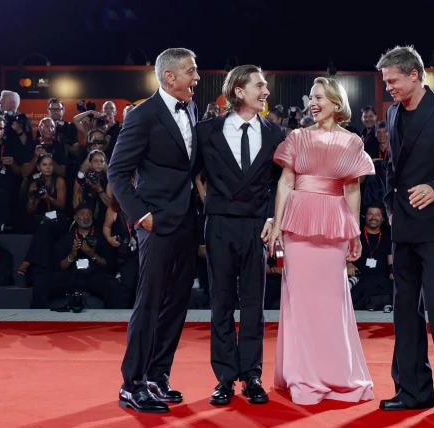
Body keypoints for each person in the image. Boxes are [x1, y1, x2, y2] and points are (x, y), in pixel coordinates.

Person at [376, 46, 434, 417]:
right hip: (403, 226)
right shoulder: (393, 113)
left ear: (414, 75)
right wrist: (389, 208)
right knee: (404, 311)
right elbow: (392, 167)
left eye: (393, 81)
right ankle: (412, 391)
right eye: (386, 83)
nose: (389, 89)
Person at [268, 77, 375, 405]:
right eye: (310, 98)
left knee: (331, 303)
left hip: (334, 225)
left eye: (318, 97)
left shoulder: (353, 142)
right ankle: (303, 376)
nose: (312, 103)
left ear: (335, 101)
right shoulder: (297, 137)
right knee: (299, 303)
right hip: (298, 224)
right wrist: (277, 226)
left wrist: (354, 231)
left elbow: (353, 189)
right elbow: (286, 182)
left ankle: (336, 374)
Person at [108, 47, 200, 413]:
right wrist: (141, 216)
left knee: (177, 303)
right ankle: (132, 383)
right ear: (168, 77)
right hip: (156, 224)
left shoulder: (191, 107)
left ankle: (157, 375)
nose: (197, 78)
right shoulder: (143, 115)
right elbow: (116, 171)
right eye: (191, 72)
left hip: (187, 222)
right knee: (149, 304)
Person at [196, 65, 285, 406]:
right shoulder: (206, 132)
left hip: (255, 227)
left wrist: (274, 217)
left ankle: (252, 375)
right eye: (260, 85)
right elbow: (191, 175)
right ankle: (224, 378)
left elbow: (284, 183)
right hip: (218, 224)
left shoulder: (276, 134)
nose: (265, 92)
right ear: (238, 91)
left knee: (253, 305)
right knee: (221, 302)